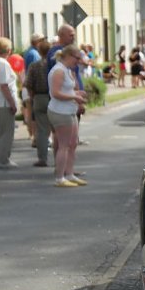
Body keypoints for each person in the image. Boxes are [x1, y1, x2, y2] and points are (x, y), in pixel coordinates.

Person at [48, 44, 87, 187]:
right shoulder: (58, 71)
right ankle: (60, 177)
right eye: (77, 58)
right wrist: (75, 97)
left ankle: (70, 174)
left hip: (69, 110)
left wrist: (77, 94)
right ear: (69, 56)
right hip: (60, 111)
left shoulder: (66, 70)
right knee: (63, 145)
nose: (78, 61)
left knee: (72, 144)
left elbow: (67, 90)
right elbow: (56, 93)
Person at [0, 38, 19, 168]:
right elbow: (4, 85)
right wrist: (12, 103)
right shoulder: (3, 64)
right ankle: (3, 159)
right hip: (3, 102)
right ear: (8, 50)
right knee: (7, 131)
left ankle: (0, 158)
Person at [25, 39, 52, 167]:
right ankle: (60, 159)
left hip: (39, 97)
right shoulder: (54, 65)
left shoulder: (34, 66)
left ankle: (42, 158)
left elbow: (28, 84)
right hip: (54, 98)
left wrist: (32, 96)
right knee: (57, 129)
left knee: (41, 129)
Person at [22, 33, 45, 148]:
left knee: (33, 113)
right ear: (37, 41)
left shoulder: (29, 52)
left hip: (31, 88)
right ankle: (35, 137)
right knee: (35, 115)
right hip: (35, 89)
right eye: (42, 40)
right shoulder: (34, 54)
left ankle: (34, 136)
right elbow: (35, 73)